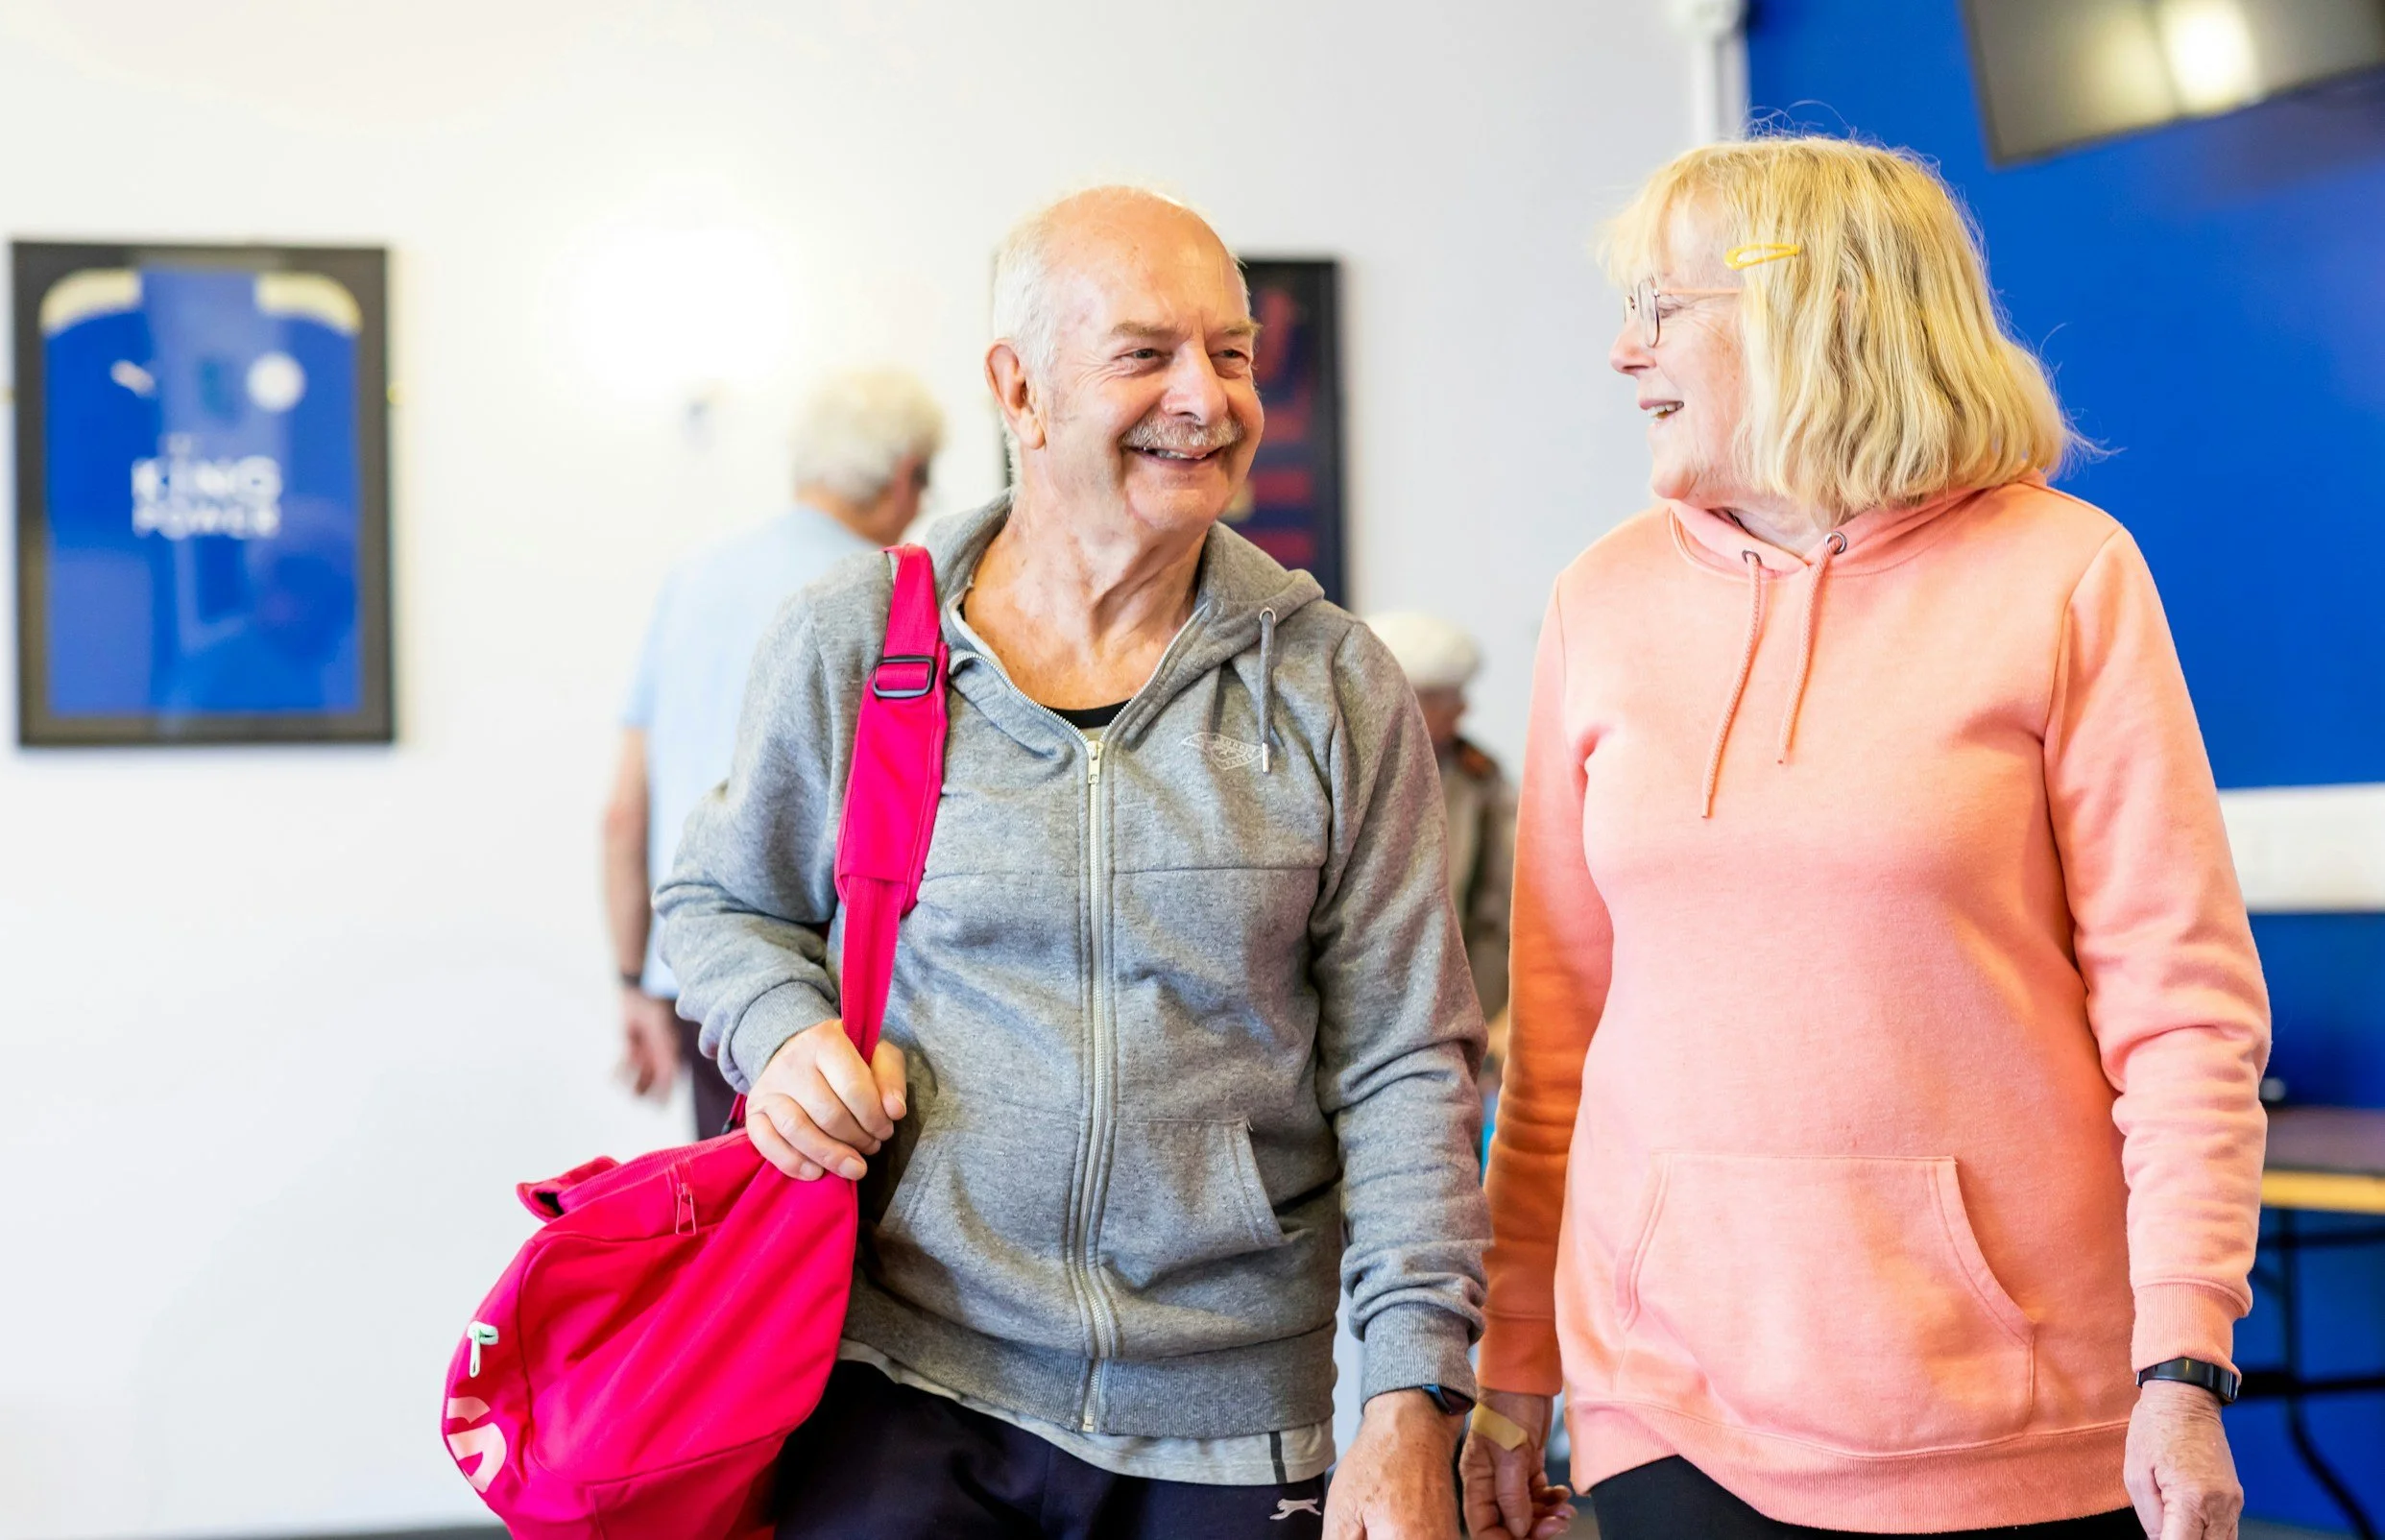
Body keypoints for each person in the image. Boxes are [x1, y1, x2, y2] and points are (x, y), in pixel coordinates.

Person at [1462, 137, 2269, 1540]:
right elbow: (1557, 1038)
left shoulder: (2065, 576)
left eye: (1664, 307)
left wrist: (2183, 1357)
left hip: (2015, 1412)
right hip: (1670, 1402)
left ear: (1814, 305)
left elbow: (2183, 1016)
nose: (1624, 350)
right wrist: (1513, 1360)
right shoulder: (1602, 602)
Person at [657, 186, 1491, 1539]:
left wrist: (1413, 1396)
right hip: (903, 1380)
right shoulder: (853, 643)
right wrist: (781, 1029)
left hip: (1228, 1419)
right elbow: (720, 901)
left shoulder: (1334, 683)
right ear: (1019, 390)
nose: (1205, 398)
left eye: (1231, 353)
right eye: (1145, 354)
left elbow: (1405, 1060)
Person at [605, 369, 942, 1139]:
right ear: (904, 476)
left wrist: (635, 981)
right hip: (838, 1013)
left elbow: (624, 811)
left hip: (700, 980)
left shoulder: (693, 579)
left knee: (730, 1214)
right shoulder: (897, 602)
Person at [1365, 611, 1513, 1031]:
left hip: (1446, 1007)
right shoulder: (1340, 768)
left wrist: (1476, 1017)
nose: (1464, 707)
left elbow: (1498, 907)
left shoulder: (1477, 779)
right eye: (1446, 696)